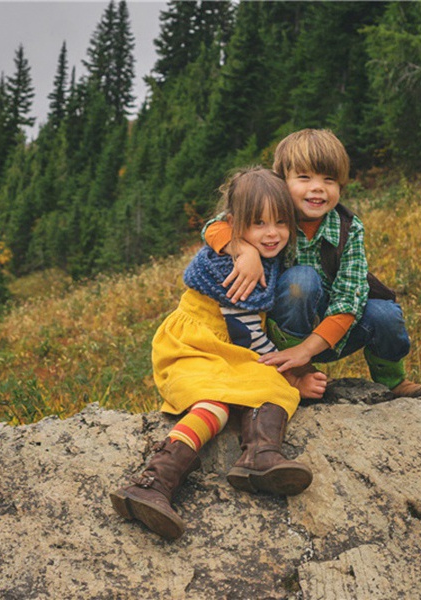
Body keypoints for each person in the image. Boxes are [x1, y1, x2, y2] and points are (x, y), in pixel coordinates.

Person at [110, 167, 314, 540]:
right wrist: (294, 373)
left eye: (282, 222)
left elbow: (217, 226)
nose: (272, 233)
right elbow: (247, 334)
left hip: (227, 348)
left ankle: (260, 457)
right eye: (259, 225)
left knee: (270, 388)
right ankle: (154, 482)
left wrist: (245, 245)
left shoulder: (254, 252)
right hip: (193, 346)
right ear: (236, 225)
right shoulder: (231, 269)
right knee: (216, 404)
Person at [204, 128, 421, 399]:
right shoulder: (269, 214)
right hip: (280, 332)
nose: (317, 187)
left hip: (336, 330)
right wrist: (245, 251)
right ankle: (298, 373)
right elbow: (215, 225)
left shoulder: (348, 228)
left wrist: (307, 348)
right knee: (301, 280)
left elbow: (349, 300)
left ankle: (393, 381)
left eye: (329, 179)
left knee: (385, 314)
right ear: (281, 181)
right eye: (304, 177)